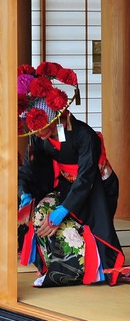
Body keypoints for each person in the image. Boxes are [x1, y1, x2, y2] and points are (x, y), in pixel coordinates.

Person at [17, 61, 124, 288]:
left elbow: (86, 177)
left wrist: (64, 209)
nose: (38, 134)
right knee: (40, 213)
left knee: (90, 227)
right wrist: (26, 194)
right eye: (35, 130)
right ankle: (52, 265)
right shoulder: (39, 136)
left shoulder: (85, 136)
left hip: (95, 187)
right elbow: (32, 167)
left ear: (56, 118)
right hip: (67, 185)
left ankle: (81, 268)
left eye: (42, 128)